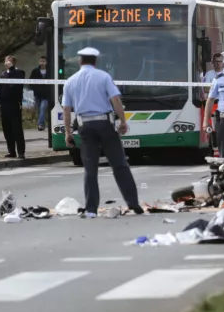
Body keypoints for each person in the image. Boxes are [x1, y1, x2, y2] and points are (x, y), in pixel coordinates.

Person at [62, 47, 143, 218]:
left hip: (85, 127)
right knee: (119, 165)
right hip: (105, 125)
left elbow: (67, 109)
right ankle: (133, 203)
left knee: (90, 169)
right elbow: (115, 99)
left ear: (80, 61)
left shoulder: (70, 81)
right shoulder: (104, 77)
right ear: (96, 61)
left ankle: (91, 208)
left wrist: (68, 133)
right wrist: (123, 121)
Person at [0, 55, 26, 159]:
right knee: (7, 129)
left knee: (16, 128)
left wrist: (12, 69)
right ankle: (11, 151)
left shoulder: (19, 73)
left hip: (14, 104)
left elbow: (17, 84)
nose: (7, 63)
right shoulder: (3, 74)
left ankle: (21, 152)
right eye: (6, 61)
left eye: (9, 61)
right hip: (4, 104)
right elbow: (0, 89)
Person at [29, 56, 53, 132]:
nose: (42, 63)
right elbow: (30, 81)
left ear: (46, 62)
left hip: (46, 94)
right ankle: (43, 124)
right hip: (37, 94)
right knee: (39, 110)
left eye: (43, 61)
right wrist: (34, 89)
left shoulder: (50, 71)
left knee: (43, 108)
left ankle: (40, 124)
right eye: (40, 61)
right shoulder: (35, 71)